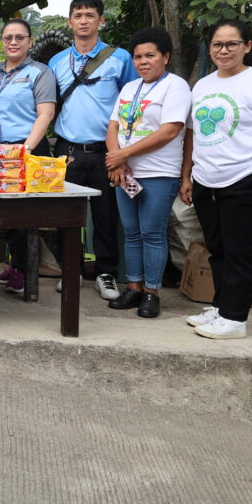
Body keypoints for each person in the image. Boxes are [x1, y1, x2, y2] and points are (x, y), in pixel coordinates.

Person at [180, 20, 252, 339]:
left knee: (241, 251)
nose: (224, 50)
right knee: (218, 248)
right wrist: (188, 174)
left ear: (247, 47)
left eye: (232, 44)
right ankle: (222, 307)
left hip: (248, 180)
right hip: (207, 180)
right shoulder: (203, 85)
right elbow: (193, 133)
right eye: (217, 44)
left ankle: (235, 319)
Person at [48, 0, 136, 299]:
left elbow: (131, 104)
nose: (84, 21)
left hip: (106, 151)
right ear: (69, 22)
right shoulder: (57, 61)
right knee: (65, 213)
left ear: (101, 20)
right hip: (68, 150)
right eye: (78, 15)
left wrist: (123, 152)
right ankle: (69, 269)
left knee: (106, 214)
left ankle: (106, 273)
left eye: (90, 15)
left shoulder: (120, 58)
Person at [104, 27, 192, 318]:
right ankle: (134, 288)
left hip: (159, 173)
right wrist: (118, 161)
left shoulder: (175, 86)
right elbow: (113, 126)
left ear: (166, 57)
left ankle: (152, 292)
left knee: (152, 233)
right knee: (131, 233)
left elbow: (170, 131)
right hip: (126, 173)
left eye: (150, 55)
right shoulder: (130, 88)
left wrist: (123, 154)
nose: (143, 62)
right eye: (138, 56)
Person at [0, 19, 57, 296]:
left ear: (30, 41)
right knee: (6, 214)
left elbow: (46, 114)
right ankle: (15, 266)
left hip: (28, 149)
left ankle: (26, 274)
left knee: (26, 215)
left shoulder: (40, 72)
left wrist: (26, 149)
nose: (13, 42)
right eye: (8, 38)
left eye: (19, 37)